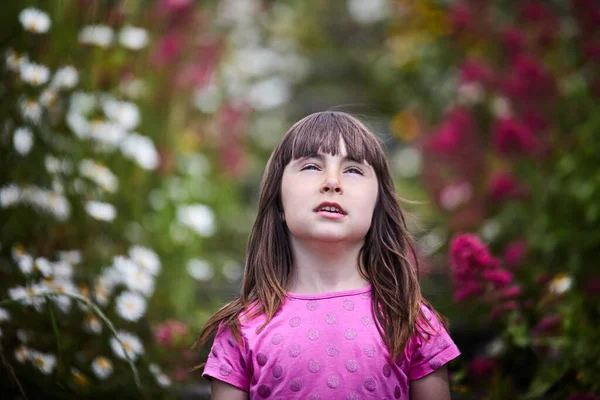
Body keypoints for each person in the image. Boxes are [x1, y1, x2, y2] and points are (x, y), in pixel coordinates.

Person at [195, 111, 460, 399]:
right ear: (279, 202)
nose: (332, 182)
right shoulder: (241, 329)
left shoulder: (410, 320)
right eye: (310, 166)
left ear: (377, 206)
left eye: (353, 170)